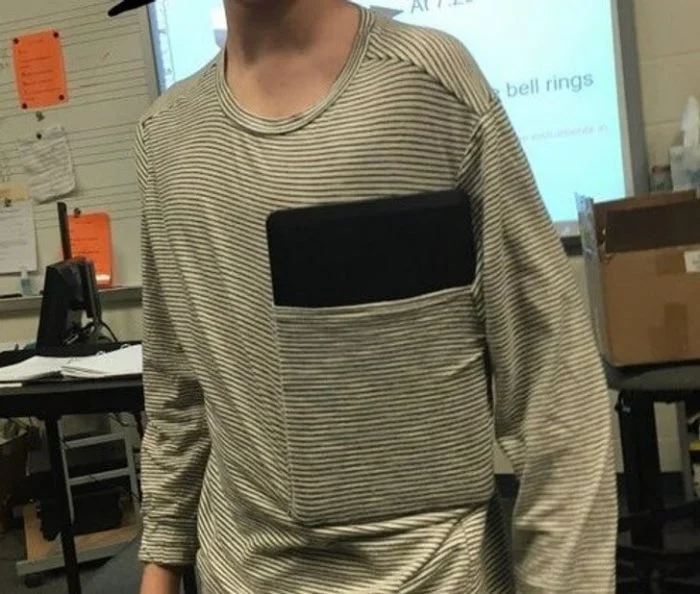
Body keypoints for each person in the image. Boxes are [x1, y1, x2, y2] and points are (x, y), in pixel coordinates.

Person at [137, 1, 617, 593]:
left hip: (437, 579)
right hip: (243, 575)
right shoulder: (167, 138)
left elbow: (553, 384)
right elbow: (178, 388)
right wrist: (161, 563)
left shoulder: (431, 86)